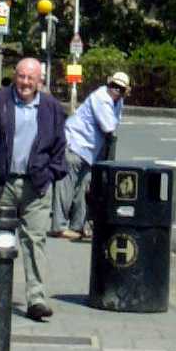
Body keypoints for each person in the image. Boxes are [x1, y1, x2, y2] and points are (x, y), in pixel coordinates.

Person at [0, 56, 67, 321]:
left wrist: (50, 174)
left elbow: (59, 148)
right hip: (1, 184)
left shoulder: (52, 109)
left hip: (36, 187)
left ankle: (37, 299)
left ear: (39, 81)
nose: (25, 83)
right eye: (21, 76)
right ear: (15, 76)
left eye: (30, 78)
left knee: (35, 241)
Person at [51, 71, 129, 240]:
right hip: (75, 143)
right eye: (113, 85)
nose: (116, 90)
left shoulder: (118, 102)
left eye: (121, 88)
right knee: (66, 186)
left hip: (90, 151)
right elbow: (109, 126)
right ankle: (59, 226)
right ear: (108, 84)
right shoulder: (101, 98)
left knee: (83, 189)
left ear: (125, 91)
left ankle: (77, 226)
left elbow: (115, 124)